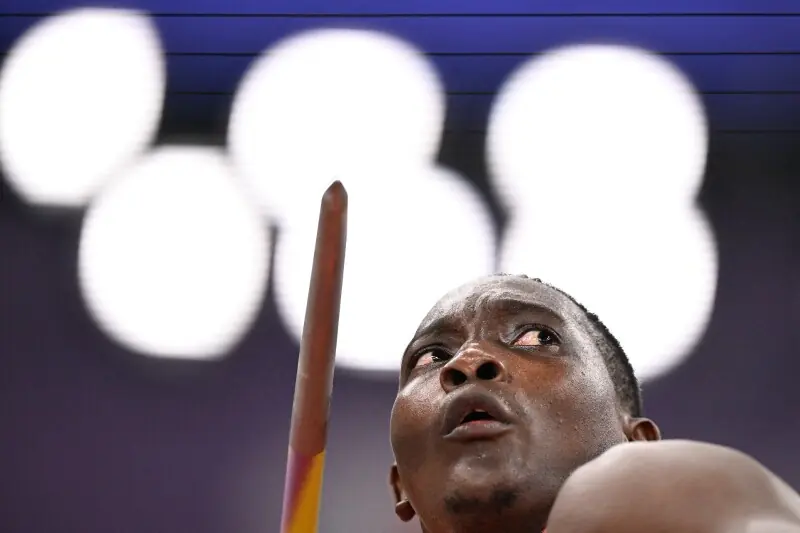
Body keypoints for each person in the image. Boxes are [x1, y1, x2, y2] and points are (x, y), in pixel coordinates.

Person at [388, 274, 800, 533]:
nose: (467, 362)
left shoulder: (669, 491)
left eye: (537, 338)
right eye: (432, 357)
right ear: (399, 485)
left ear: (638, 445)